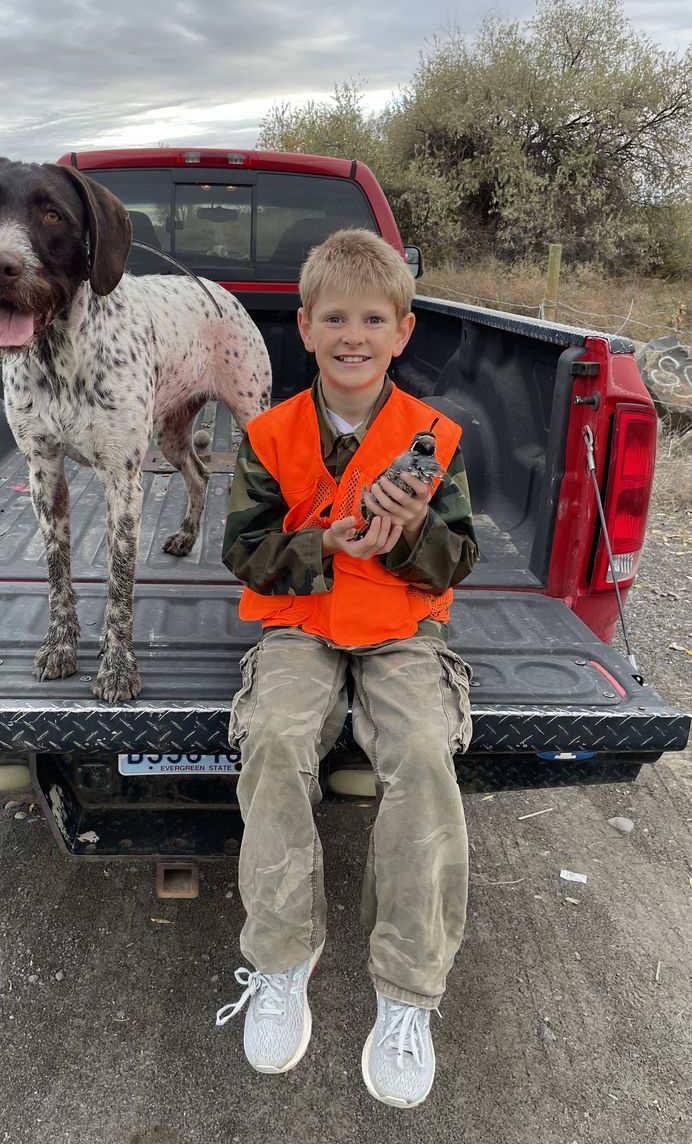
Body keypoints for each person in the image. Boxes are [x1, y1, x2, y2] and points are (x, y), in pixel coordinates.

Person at [214, 229, 479, 1109]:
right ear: (306, 327)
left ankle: (407, 993)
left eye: (374, 318)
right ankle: (284, 958)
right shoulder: (269, 433)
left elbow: (457, 560)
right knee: (275, 738)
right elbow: (245, 552)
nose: (354, 335)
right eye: (336, 318)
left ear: (402, 331)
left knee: (423, 754)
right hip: (302, 624)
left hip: (403, 630)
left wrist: (408, 537)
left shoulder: (433, 438)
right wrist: (320, 542)